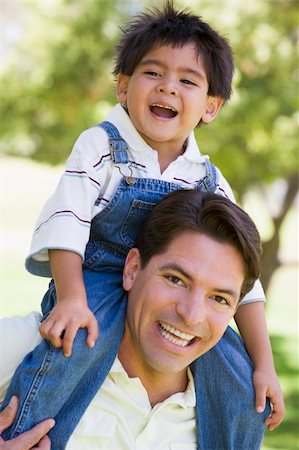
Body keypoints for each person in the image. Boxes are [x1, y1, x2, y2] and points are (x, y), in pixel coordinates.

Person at [1, 2, 284, 448]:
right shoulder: (101, 145)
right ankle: (25, 430)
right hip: (93, 282)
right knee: (73, 349)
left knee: (239, 379)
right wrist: (72, 300)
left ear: (211, 106)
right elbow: (68, 222)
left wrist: (263, 363)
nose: (168, 88)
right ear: (123, 85)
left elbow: (242, 280)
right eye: (154, 73)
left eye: (187, 81)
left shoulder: (208, 179)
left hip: (149, 285)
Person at [1, 190, 272, 449]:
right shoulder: (37, 348)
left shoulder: (235, 414)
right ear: (132, 270)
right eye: (175, 280)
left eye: (219, 299)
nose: (191, 315)